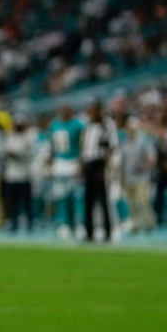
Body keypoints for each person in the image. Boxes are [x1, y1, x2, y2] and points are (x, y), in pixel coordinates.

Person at [79, 101, 116, 243]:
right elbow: (83, 147)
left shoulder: (105, 126)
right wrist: (82, 165)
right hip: (88, 163)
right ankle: (89, 233)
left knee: (103, 201)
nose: (91, 114)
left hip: (99, 164)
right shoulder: (87, 127)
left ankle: (107, 233)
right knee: (88, 201)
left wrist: (103, 168)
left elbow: (110, 148)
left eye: (93, 111)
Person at [48, 106, 84, 239]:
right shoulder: (54, 125)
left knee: (77, 197)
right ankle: (63, 224)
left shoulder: (78, 125)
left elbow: (82, 144)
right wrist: (50, 160)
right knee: (61, 197)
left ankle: (79, 223)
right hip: (59, 164)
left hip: (73, 162)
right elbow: (51, 145)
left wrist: (81, 162)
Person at [121, 118, 157, 234]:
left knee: (142, 201)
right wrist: (122, 178)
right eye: (129, 129)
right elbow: (123, 162)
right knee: (131, 204)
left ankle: (149, 223)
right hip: (128, 178)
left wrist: (144, 166)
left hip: (141, 178)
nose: (130, 131)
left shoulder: (143, 143)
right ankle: (135, 224)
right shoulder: (125, 144)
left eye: (132, 129)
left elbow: (152, 158)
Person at [1, 120, 34, 233]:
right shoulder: (9, 138)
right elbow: (4, 153)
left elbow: (29, 155)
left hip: (24, 174)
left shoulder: (27, 138)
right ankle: (14, 223)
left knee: (26, 202)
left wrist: (16, 155)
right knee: (12, 202)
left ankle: (30, 223)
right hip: (11, 175)